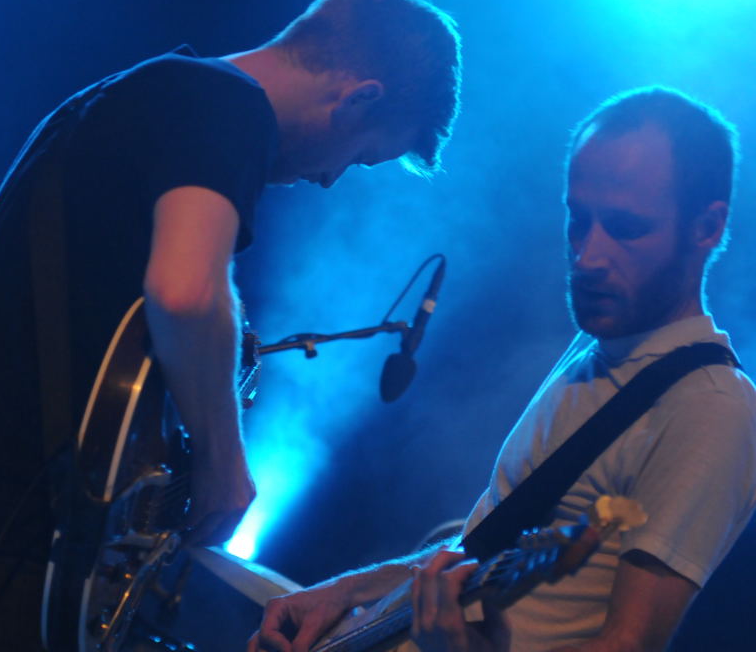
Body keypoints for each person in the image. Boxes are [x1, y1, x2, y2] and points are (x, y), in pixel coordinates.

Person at [0, 0, 463, 651]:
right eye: (361, 156)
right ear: (360, 97)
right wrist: (222, 465)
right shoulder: (229, 105)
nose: (331, 178)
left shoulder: (114, 96)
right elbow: (187, 293)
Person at [250, 87, 756, 652]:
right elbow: (479, 551)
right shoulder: (598, 349)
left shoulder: (710, 407)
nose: (587, 256)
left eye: (625, 227)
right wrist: (346, 592)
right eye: (578, 220)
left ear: (707, 227)